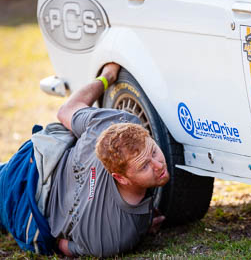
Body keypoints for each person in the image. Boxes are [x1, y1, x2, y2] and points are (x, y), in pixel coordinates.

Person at [0, 63, 169, 257]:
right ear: (121, 177)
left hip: (39, 159)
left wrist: (106, 76)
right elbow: (60, 245)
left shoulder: (117, 125)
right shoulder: (113, 238)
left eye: (154, 152)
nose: (159, 165)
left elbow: (67, 111)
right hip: (22, 199)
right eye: (145, 166)